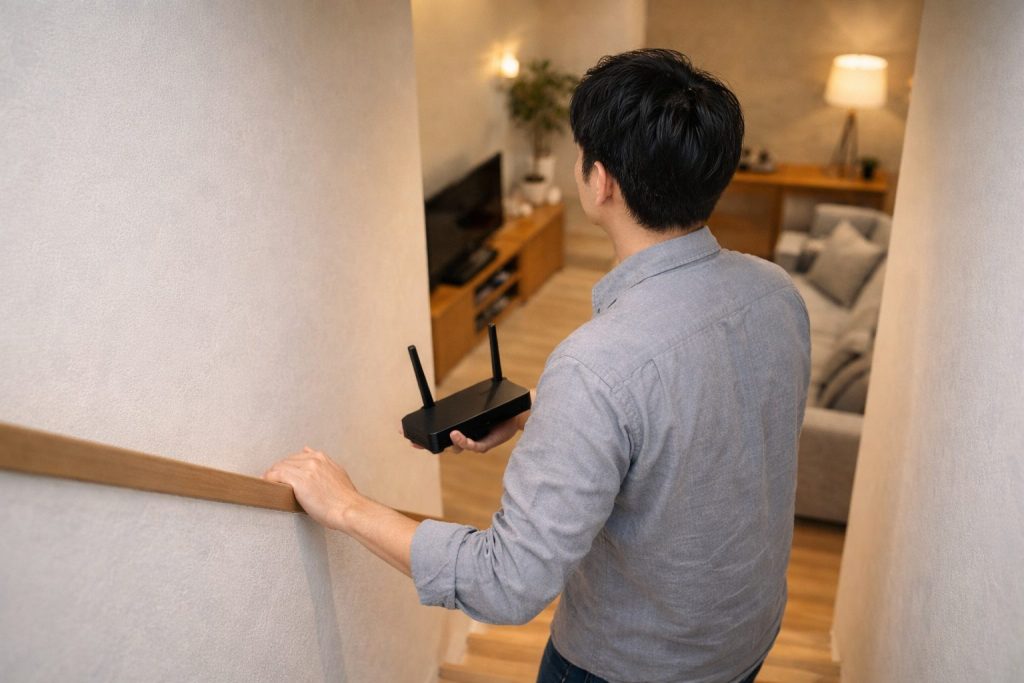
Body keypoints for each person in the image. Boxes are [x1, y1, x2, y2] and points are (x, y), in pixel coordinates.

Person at [264, 49, 810, 683]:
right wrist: (549, 421)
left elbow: (506, 582)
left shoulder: (596, 365)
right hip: (744, 638)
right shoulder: (776, 293)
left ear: (600, 181)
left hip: (633, 666)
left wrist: (346, 507)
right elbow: (710, 427)